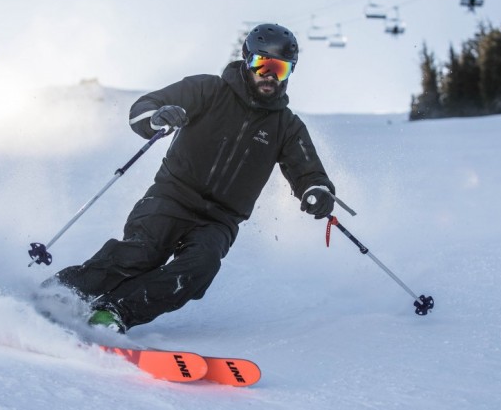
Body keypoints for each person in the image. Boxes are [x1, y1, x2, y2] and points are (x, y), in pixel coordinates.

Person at [49, 24, 336, 333]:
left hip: (220, 220)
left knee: (200, 268)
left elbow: (310, 172)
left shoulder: (287, 126)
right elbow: (143, 108)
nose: (269, 75)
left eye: (279, 69)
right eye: (261, 64)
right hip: (172, 196)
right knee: (143, 252)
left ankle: (114, 312)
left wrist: (316, 191)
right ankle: (62, 294)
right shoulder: (208, 90)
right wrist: (158, 117)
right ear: (246, 59)